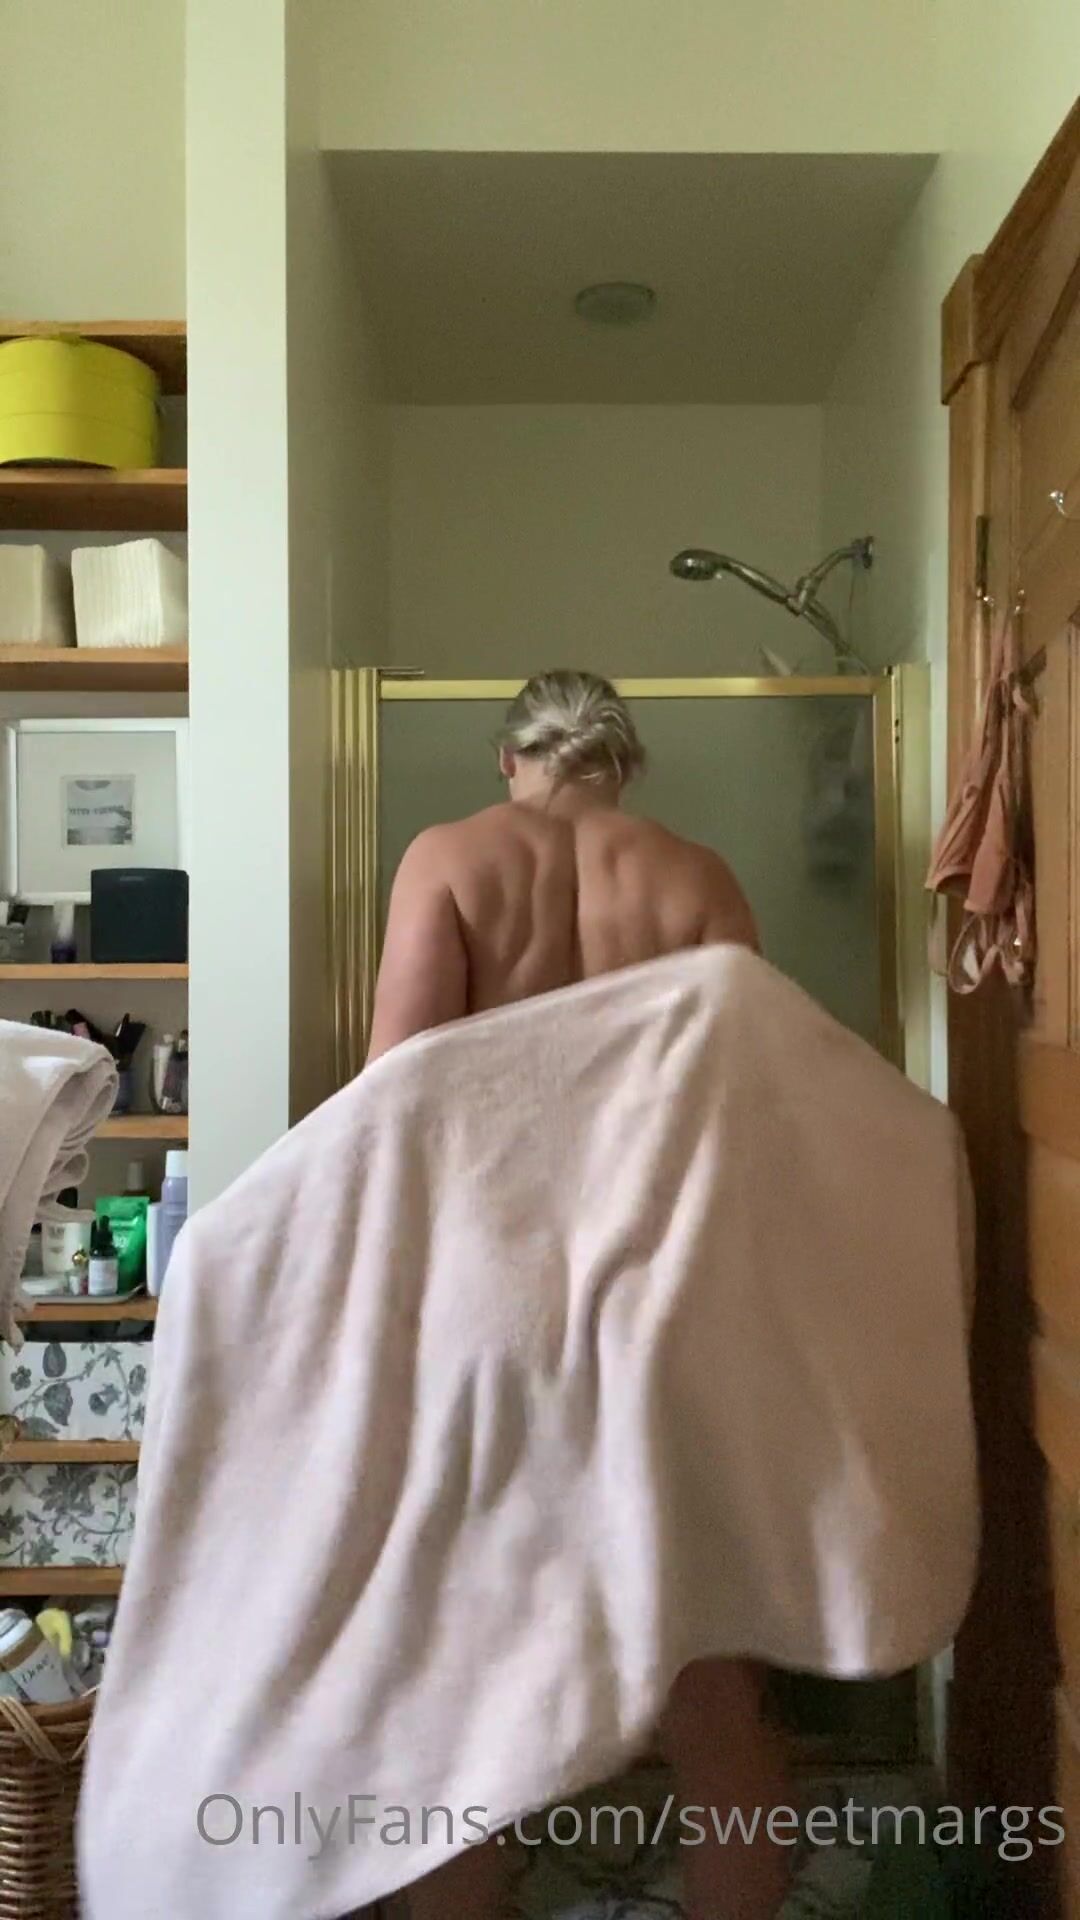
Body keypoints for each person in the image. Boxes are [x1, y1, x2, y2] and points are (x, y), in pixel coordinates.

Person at [366, 671, 790, 1920]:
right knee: (703, 1645)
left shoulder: (447, 859)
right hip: (656, 1289)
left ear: (511, 758)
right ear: (624, 763)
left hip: (492, 1288)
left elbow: (396, 1095)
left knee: (462, 1641)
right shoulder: (695, 879)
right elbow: (747, 1101)